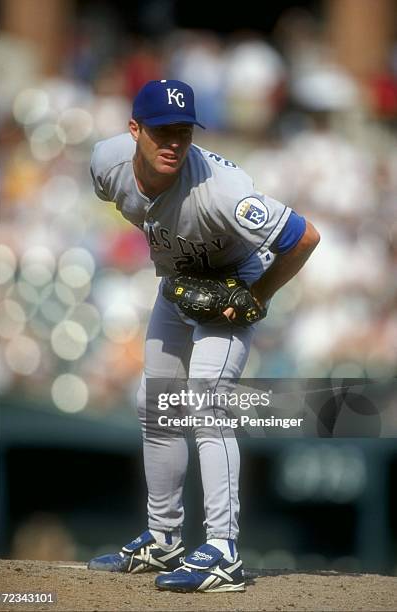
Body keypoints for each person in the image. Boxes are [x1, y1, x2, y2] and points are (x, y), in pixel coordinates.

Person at [87, 79, 320, 592]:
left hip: (237, 278)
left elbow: (305, 237)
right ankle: (163, 537)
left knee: (205, 402)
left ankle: (224, 551)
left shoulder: (222, 192)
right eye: (161, 131)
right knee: (157, 404)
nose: (173, 142)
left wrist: (260, 296)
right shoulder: (106, 162)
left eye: (183, 132)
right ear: (134, 131)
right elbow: (144, 211)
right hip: (182, 279)